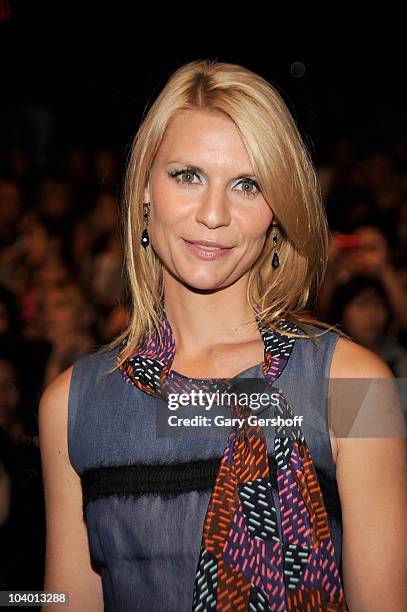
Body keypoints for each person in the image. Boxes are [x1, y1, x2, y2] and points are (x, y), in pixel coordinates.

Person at [39, 60, 407, 611]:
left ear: (277, 210)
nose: (213, 214)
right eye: (187, 176)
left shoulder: (360, 385)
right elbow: (63, 599)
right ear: (143, 190)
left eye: (247, 184)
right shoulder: (71, 402)